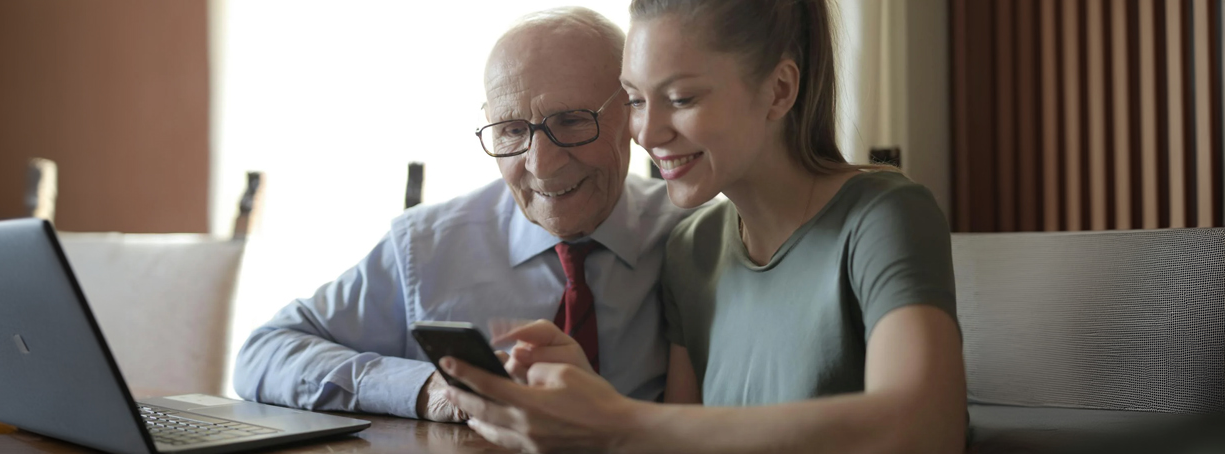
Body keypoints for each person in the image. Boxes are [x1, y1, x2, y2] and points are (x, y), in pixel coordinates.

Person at [441, 0, 968, 452]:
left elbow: (926, 430)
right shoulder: (693, 246)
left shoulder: (884, 214)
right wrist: (583, 396)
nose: (646, 132)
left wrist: (613, 420)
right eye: (636, 100)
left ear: (780, 90)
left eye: (682, 98)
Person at [232, 7, 695, 423]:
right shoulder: (426, 247)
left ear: (633, 112)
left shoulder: (696, 239)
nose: (540, 164)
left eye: (572, 122)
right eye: (512, 130)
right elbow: (263, 353)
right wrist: (425, 388)